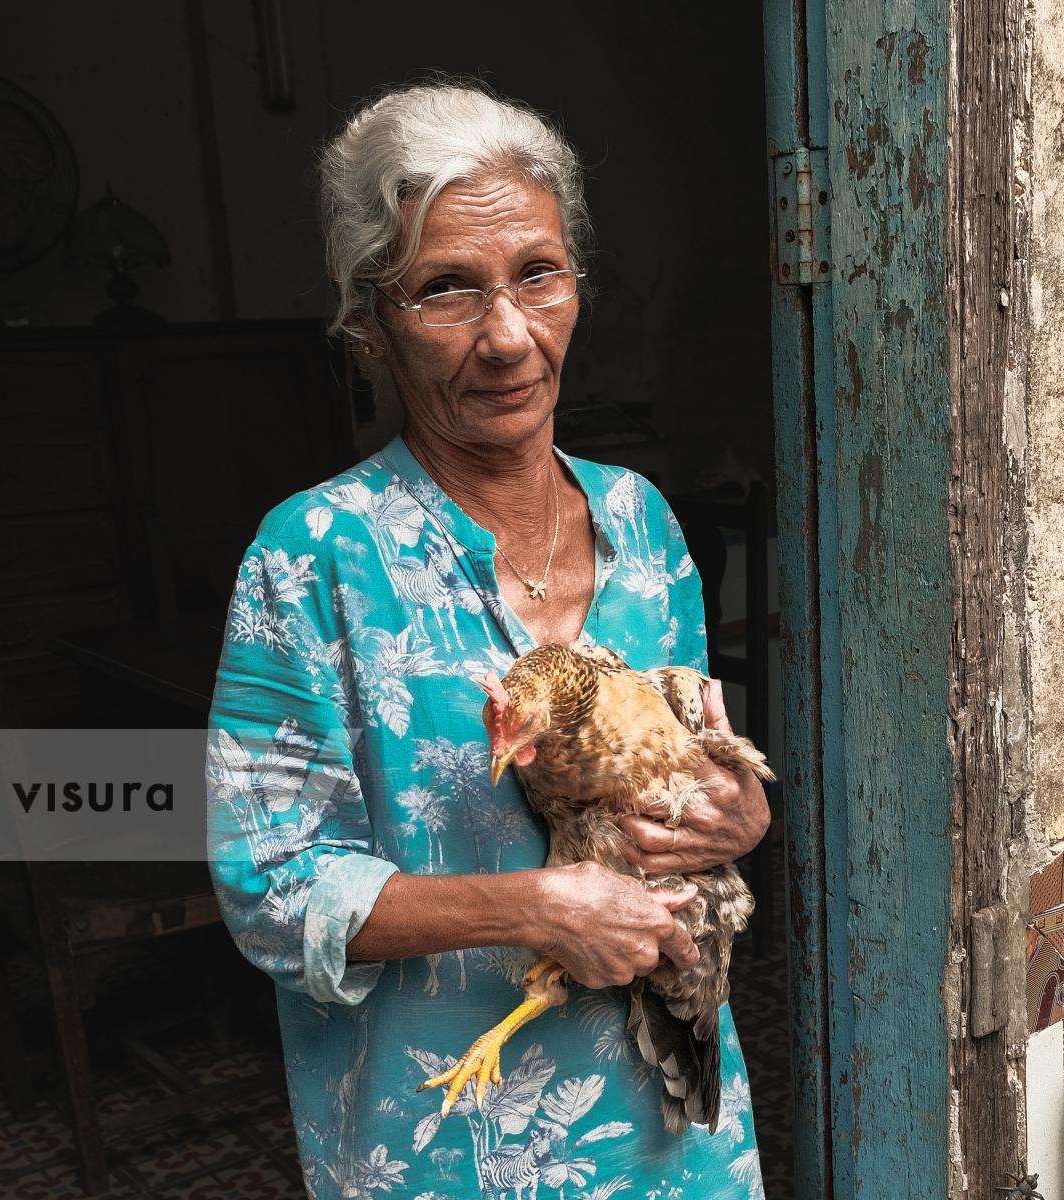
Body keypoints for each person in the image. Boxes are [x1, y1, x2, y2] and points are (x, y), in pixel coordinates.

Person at [206, 81, 768, 1199]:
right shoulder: (311, 557)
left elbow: (688, 773)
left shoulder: (644, 523)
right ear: (371, 321)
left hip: (675, 1131)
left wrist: (736, 814)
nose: (508, 336)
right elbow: (270, 887)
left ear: (576, 289)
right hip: (446, 1142)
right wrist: (532, 907)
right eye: (445, 290)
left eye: (537, 277)